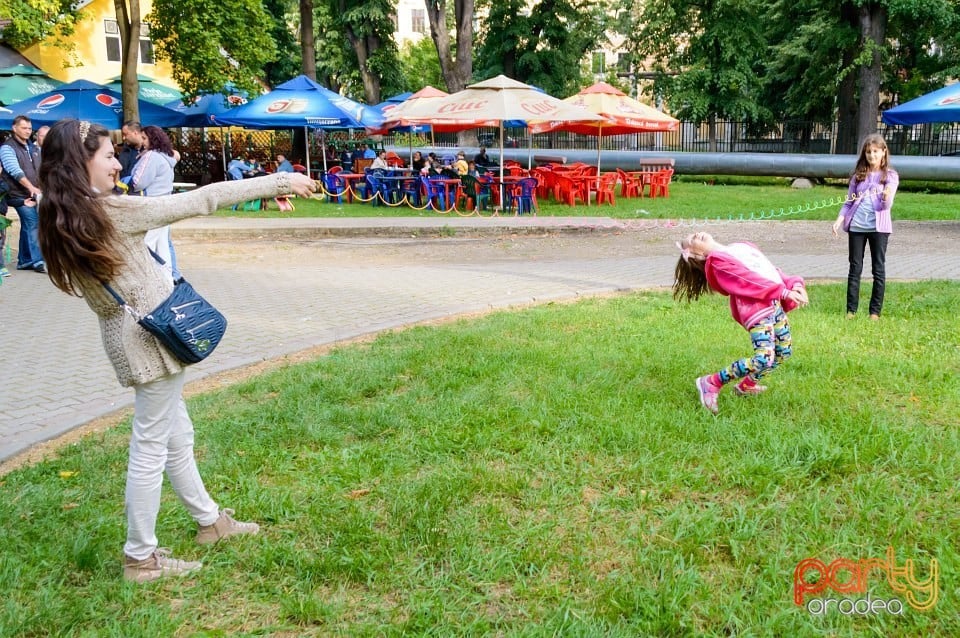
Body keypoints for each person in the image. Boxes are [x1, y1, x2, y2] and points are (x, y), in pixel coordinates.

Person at [37, 119, 317, 583]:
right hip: (151, 339)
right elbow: (202, 199)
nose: (116, 163)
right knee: (151, 445)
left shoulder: (63, 216)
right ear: (78, 163)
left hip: (128, 336)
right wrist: (283, 181)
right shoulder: (111, 212)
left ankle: (210, 522)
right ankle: (140, 558)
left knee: (174, 436)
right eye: (107, 155)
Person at [673, 231, 808, 415]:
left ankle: (746, 386)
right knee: (763, 358)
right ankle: (711, 382)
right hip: (757, 311)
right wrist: (783, 292)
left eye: (693, 234)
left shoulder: (741, 247)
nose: (695, 235)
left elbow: (770, 271)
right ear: (697, 255)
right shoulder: (717, 263)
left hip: (774, 305)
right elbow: (747, 280)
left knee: (783, 351)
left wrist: (795, 285)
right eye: (692, 240)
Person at [832, 134, 898, 320]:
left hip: (879, 229)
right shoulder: (858, 176)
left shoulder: (890, 176)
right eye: (868, 152)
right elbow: (848, 202)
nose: (872, 156)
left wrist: (885, 196)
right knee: (855, 268)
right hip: (857, 227)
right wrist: (839, 220)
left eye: (875, 152)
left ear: (883, 152)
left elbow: (886, 205)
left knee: (878, 269)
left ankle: (874, 312)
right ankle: (851, 311)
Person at [129, 125, 181, 283]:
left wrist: (127, 182)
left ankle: (142, 277)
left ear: (152, 139)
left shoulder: (151, 156)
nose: (142, 142)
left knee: (147, 243)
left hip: (151, 204)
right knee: (163, 243)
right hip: (165, 203)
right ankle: (167, 277)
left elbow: (138, 182)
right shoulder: (166, 156)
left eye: (144, 138)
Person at [0, 115, 45, 273]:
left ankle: (24, 260)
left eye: (29, 128)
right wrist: (31, 188)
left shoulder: (33, 148)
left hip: (34, 194)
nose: (28, 131)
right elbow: (14, 171)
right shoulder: (7, 147)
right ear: (14, 128)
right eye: (24, 128)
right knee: (32, 222)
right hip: (17, 194)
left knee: (30, 224)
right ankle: (38, 261)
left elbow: (39, 169)